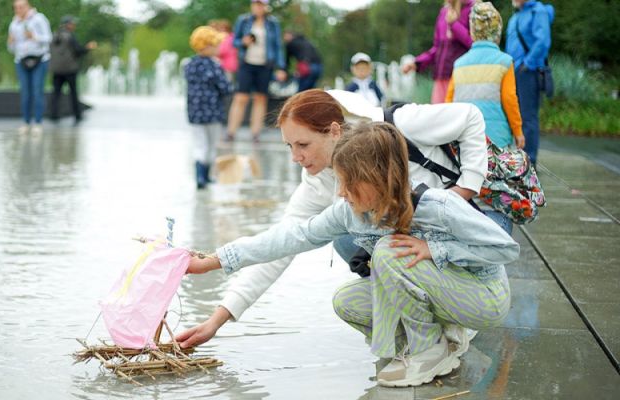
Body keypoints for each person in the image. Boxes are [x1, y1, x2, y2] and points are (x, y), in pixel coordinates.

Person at [185, 122, 518, 387]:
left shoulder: (439, 206)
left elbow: (505, 248)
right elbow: (290, 237)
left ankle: (428, 350)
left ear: (378, 179)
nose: (341, 192)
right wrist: (212, 261)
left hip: (484, 299)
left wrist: (437, 248)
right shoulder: (349, 211)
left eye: (348, 182)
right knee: (348, 300)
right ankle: (428, 346)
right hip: (446, 294)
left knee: (388, 251)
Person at [446, 1, 524, 234]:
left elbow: (449, 103)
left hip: (463, 138)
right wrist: (518, 132)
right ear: (498, 32)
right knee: (498, 193)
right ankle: (496, 234)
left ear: (471, 30)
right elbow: (510, 99)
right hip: (497, 140)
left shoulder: (459, 64)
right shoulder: (504, 61)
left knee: (470, 183)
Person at [225, 0, 287, 143]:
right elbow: (234, 42)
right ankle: (231, 132)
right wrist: (243, 42)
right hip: (246, 64)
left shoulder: (272, 23)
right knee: (241, 97)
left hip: (265, 65)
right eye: (255, 4)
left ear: (265, 7)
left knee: (261, 98)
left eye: (261, 4)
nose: (258, 7)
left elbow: (278, 46)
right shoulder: (243, 20)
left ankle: (255, 133)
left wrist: (281, 67)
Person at [505, 0, 554, 166]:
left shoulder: (537, 11)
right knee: (516, 114)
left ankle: (529, 162)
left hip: (528, 72)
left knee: (528, 117)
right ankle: (519, 159)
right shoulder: (518, 14)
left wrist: (527, 64)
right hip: (513, 70)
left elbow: (543, 41)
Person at [184, 26, 232, 189]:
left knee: (199, 144)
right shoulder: (214, 66)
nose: (219, 48)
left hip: (194, 112)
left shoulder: (189, 64)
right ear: (208, 46)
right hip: (212, 111)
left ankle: (199, 176)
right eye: (217, 45)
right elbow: (225, 87)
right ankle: (205, 176)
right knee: (211, 144)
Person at [402, 0, 476, 104]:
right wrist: (417, 63)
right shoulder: (443, 12)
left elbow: (473, 43)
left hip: (459, 79)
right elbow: (437, 48)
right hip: (440, 78)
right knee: (437, 116)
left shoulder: (472, 10)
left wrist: (454, 25)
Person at [7, 0, 52, 135]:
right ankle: (26, 122)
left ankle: (38, 123)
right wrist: (10, 43)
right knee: (25, 92)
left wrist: (34, 36)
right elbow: (11, 49)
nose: (18, 10)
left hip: (39, 59)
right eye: (16, 8)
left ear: (28, 6)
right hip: (21, 61)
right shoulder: (14, 24)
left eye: (21, 7)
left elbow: (49, 38)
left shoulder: (39, 19)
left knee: (37, 91)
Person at [49, 15, 96, 124]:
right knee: (73, 93)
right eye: (72, 23)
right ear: (68, 24)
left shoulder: (55, 35)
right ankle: (77, 115)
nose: (74, 25)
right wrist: (88, 47)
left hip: (56, 69)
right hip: (69, 69)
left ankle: (53, 115)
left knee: (56, 93)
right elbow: (79, 51)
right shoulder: (69, 36)